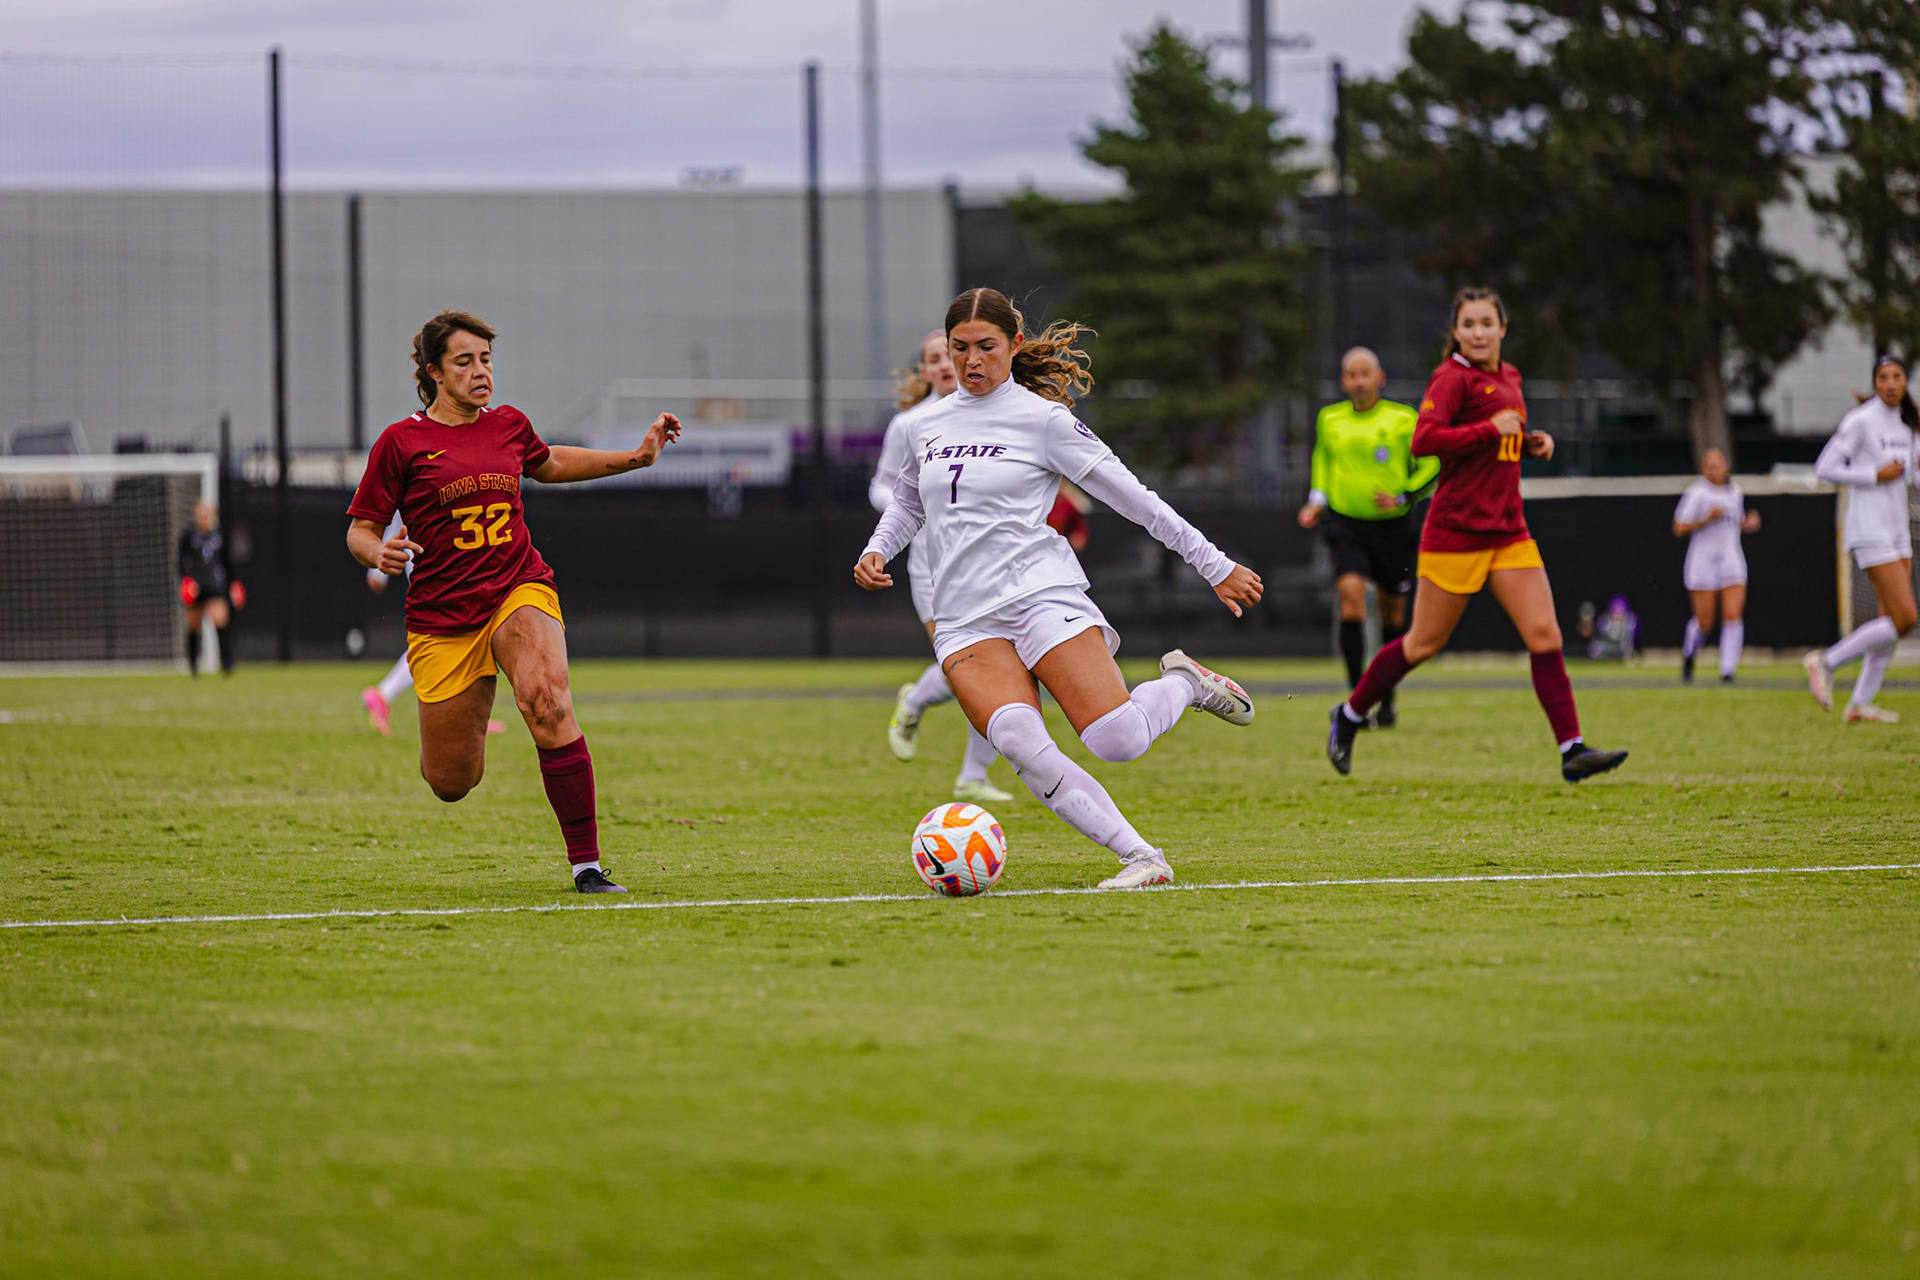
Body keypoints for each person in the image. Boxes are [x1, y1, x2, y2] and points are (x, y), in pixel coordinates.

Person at [857, 287, 1265, 890]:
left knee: (1117, 739)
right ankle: (1142, 858)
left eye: (986, 348)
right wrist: (876, 548)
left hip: (1040, 596)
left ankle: (1184, 683)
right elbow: (908, 503)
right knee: (1020, 740)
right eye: (959, 348)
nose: (971, 361)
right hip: (964, 617)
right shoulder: (925, 426)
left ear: (1014, 345)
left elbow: (1136, 500)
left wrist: (1214, 564)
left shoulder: (1043, 420)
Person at [346, 310, 681, 893]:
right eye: (465, 361)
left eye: (486, 359)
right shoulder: (401, 443)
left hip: (515, 587)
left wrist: (637, 457)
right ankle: (478, 699)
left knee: (547, 701)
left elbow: (548, 462)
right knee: (451, 780)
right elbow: (359, 530)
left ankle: (587, 867)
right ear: (433, 373)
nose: (481, 371)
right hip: (443, 619)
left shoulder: (508, 426)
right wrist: (377, 553)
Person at [1325, 286, 1628, 782]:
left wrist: (1527, 445)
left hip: (1509, 531)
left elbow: (1494, 444)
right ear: (1457, 332)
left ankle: (1572, 749)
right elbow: (1425, 441)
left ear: (1503, 328)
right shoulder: (1451, 379)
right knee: (1421, 644)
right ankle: (1351, 714)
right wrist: (1492, 428)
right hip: (1456, 533)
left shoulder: (1509, 375)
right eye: (1469, 324)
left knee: (1545, 635)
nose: (1479, 332)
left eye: (1487, 323)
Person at [873, 331, 1013, 805]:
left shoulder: (990, 415)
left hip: (988, 565)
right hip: (932, 570)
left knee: (1002, 669)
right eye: (933, 359)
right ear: (927, 370)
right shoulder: (910, 425)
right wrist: (915, 512)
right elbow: (885, 488)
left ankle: (973, 775)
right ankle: (914, 701)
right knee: (967, 670)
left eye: (947, 355)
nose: (944, 365)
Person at [1298, 346, 1437, 726]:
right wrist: (1316, 500)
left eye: (1365, 374)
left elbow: (1431, 463)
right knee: (1351, 601)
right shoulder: (1330, 419)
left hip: (1393, 529)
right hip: (1346, 525)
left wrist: (1405, 495)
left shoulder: (1403, 419)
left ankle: (1386, 698)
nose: (1359, 382)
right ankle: (1357, 702)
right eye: (1351, 375)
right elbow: (1323, 461)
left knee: (1393, 614)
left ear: (1380, 378)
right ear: (1343, 382)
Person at [1804, 354, 1919, 723]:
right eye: (1883, 377)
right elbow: (1825, 468)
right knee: (1905, 619)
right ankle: (1826, 661)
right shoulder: (1860, 421)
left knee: (1889, 622)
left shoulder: (1907, 426)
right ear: (1874, 383)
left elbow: (1910, 477)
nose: (1890, 383)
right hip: (1869, 530)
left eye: (1896, 376)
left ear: (1905, 381)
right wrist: (1874, 474)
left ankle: (1858, 704)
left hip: (1897, 530)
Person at [358, 510, 503, 738]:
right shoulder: (418, 479)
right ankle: (384, 693)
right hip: (438, 568)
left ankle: (470, 715)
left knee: (454, 641)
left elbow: (395, 521)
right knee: (453, 639)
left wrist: (377, 574)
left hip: (441, 567)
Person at [1673, 447, 1759, 683]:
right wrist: (1706, 518)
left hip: (1731, 560)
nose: (1714, 469)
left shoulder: (1735, 492)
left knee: (1733, 615)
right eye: (1709, 465)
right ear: (1703, 469)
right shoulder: (1697, 493)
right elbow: (1679, 527)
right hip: (1703, 561)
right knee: (1704, 620)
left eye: (1717, 464)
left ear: (1726, 465)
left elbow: (1736, 522)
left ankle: (1727, 670)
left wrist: (1747, 523)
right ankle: (1689, 656)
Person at [178, 498, 238, 675]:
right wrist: (186, 581)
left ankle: (226, 661)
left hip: (215, 585)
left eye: (207, 514)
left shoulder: (219, 536)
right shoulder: (189, 536)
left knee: (220, 621)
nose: (204, 517)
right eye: (201, 513)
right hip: (195, 587)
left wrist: (234, 584)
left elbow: (228, 563)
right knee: (193, 625)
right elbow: (181, 562)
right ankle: (193, 663)